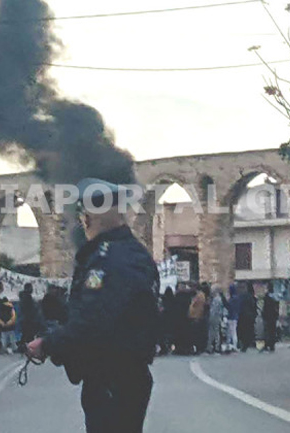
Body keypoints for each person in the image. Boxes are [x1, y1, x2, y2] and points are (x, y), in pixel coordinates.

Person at [26, 178, 160, 433]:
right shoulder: (134, 254)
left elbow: (93, 320)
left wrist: (48, 343)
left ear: (88, 218)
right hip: (125, 375)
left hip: (111, 378)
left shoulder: (107, 260)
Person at [19, 283, 41, 351]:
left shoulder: (23, 297)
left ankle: (23, 347)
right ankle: (29, 348)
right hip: (29, 319)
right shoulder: (27, 297)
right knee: (29, 334)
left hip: (25, 319)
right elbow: (30, 309)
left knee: (25, 334)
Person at [238, 283, 258, 352]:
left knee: (243, 331)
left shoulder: (242, 296)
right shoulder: (252, 297)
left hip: (243, 316)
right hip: (250, 316)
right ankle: (249, 343)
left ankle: (243, 344)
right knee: (249, 330)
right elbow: (254, 307)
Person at [188, 284, 207, 354]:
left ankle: (197, 348)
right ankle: (198, 348)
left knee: (195, 334)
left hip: (195, 316)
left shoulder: (199, 296)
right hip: (197, 315)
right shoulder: (201, 295)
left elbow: (194, 304)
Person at [206, 286, 225, 354]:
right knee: (215, 332)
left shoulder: (216, 299)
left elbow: (213, 310)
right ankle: (215, 346)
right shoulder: (218, 299)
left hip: (214, 317)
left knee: (213, 332)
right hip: (217, 317)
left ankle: (214, 346)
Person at [261, 283, 279, 353]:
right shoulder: (275, 297)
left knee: (267, 331)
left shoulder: (267, 297)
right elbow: (277, 307)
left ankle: (267, 344)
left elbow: (265, 307)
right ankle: (272, 345)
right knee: (272, 331)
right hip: (273, 317)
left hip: (268, 317)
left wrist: (263, 314)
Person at [223, 283, 241, 351]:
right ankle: (233, 345)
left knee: (231, 332)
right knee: (233, 332)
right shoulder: (237, 298)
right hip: (235, 316)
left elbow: (229, 306)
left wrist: (225, 301)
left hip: (231, 316)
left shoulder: (232, 299)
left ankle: (233, 345)